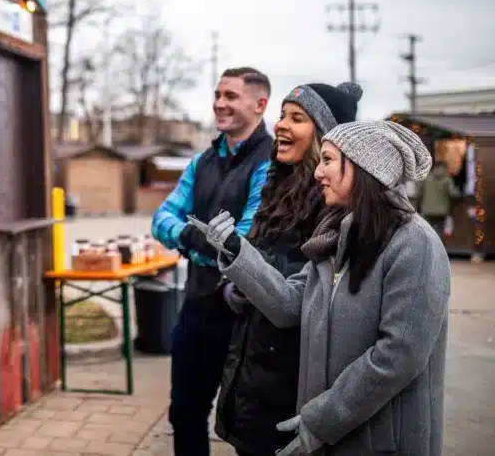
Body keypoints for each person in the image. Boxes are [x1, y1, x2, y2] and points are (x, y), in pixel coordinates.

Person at [194, 120, 450, 456]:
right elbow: (287, 306)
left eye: (328, 160)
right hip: (331, 437)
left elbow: (399, 356)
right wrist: (235, 250)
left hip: (382, 443)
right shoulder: (334, 239)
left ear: (363, 167)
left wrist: (323, 420)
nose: (317, 173)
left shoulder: (414, 244)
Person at [215, 82, 362, 456]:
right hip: (253, 365)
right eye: (282, 115)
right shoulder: (276, 187)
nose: (280, 125)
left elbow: (304, 290)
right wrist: (233, 284)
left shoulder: (333, 203)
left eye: (297, 118)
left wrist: (249, 272)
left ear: (326, 137)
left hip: (291, 378)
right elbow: (258, 256)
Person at [151, 67, 273, 456]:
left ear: (260, 104)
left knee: (242, 425)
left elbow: (243, 242)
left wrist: (193, 239)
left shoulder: (270, 162)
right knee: (184, 413)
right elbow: (161, 219)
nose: (219, 103)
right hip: (196, 306)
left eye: (231, 96)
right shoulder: (202, 161)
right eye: (218, 94)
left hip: (243, 315)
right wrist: (195, 237)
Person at [418, 160, 460, 237]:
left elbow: (419, 193)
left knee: (427, 232)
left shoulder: (426, 178)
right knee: (439, 232)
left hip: (427, 210)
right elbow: (453, 194)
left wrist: (419, 207)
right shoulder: (447, 179)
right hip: (442, 211)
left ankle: (428, 247)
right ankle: (438, 246)